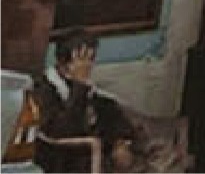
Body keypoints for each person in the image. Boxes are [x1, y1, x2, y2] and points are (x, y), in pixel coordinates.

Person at [29, 33, 139, 172]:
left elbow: (107, 112)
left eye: (91, 59)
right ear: (64, 63)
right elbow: (63, 130)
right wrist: (79, 85)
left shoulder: (88, 91)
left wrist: (120, 143)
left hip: (95, 157)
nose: (89, 65)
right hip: (61, 161)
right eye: (83, 59)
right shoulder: (43, 89)